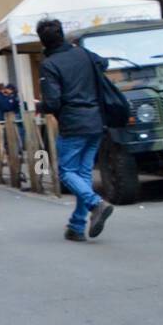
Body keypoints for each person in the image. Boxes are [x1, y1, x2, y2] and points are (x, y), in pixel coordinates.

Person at [37, 18, 115, 242]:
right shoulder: (83, 53)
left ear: (43, 42)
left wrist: (39, 106)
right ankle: (77, 226)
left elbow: (52, 102)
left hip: (73, 124)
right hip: (96, 121)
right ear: (62, 34)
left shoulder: (49, 65)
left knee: (67, 172)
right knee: (82, 174)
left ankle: (95, 204)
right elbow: (104, 63)